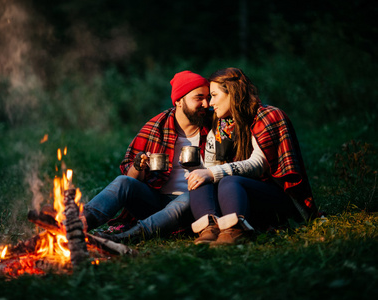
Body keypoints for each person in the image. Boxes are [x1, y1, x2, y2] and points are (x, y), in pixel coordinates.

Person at [186, 67, 318, 246]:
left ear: (232, 93)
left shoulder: (267, 116)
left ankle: (236, 229)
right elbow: (211, 166)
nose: (210, 103)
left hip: (274, 196)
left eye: (214, 95)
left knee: (229, 181)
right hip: (236, 196)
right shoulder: (222, 125)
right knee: (200, 180)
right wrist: (201, 174)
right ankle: (210, 228)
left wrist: (212, 173)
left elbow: (257, 164)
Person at [81, 70, 212, 243]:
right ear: (179, 101)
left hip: (195, 205)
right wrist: (138, 166)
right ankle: (78, 223)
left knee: (191, 194)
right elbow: (132, 179)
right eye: (199, 98)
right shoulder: (156, 127)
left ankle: (131, 236)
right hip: (155, 202)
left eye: (208, 98)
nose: (206, 103)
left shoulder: (214, 127)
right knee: (123, 182)